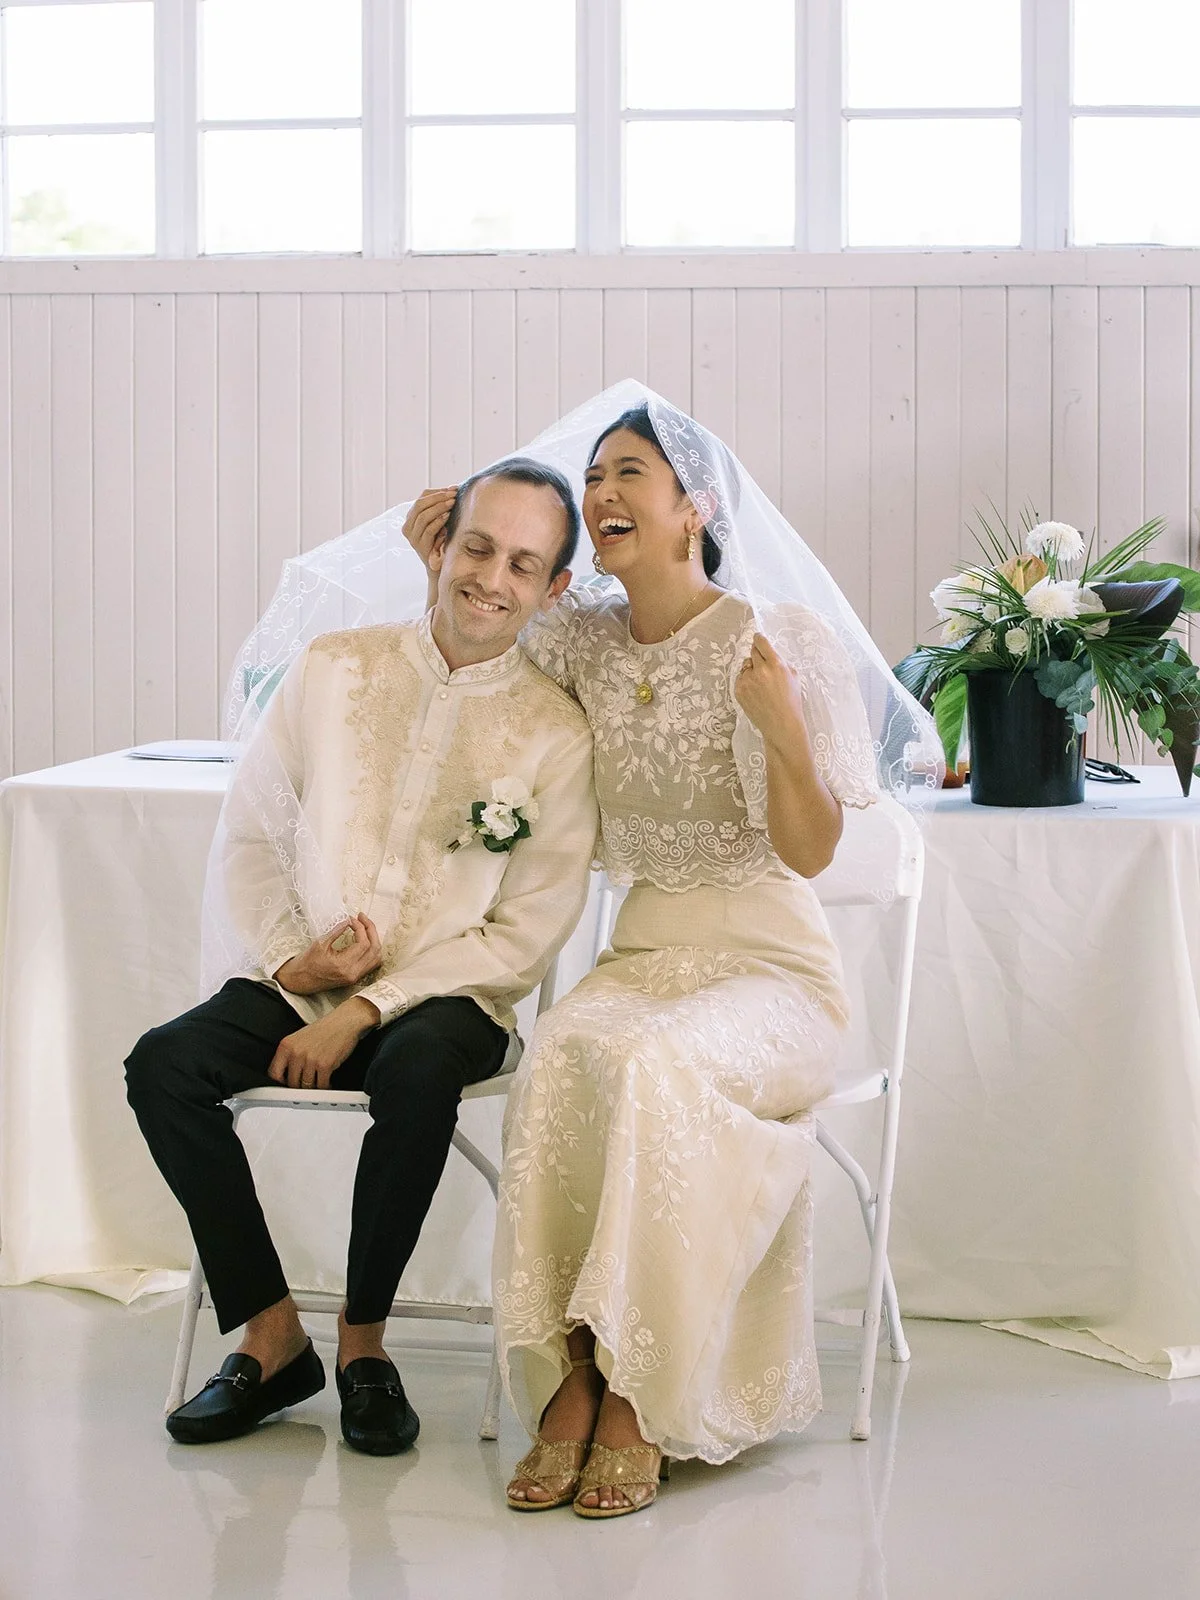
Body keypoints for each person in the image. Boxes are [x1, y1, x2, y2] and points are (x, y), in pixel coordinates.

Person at [401, 392, 937, 1518]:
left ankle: (636, 1389)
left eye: (629, 473)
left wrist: (784, 728)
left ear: (693, 506)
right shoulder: (581, 638)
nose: (600, 496)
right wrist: (443, 563)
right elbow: (477, 636)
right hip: (639, 957)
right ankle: (569, 1373)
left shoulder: (777, 638)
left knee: (655, 1065)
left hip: (774, 973)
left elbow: (811, 847)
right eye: (593, 477)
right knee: (559, 1056)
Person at [125, 457, 598, 1455]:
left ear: (553, 587)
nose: (491, 578)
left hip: (451, 996)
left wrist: (372, 1008)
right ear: (439, 543)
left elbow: (526, 929)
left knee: (418, 1067)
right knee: (163, 1063)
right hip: (305, 985)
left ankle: (364, 1345)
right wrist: (298, 965)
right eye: (476, 546)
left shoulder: (555, 730)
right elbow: (253, 832)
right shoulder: (333, 666)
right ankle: (270, 1332)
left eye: (523, 562)